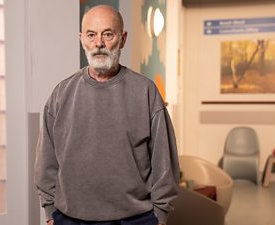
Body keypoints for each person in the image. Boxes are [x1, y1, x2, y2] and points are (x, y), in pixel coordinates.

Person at [34, 5, 179, 225]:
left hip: (136, 219)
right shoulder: (61, 94)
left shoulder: (145, 92)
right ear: (82, 39)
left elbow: (164, 162)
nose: (99, 43)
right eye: (91, 35)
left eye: (108, 34)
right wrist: (50, 210)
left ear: (123, 39)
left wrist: (160, 215)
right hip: (69, 218)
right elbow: (46, 161)